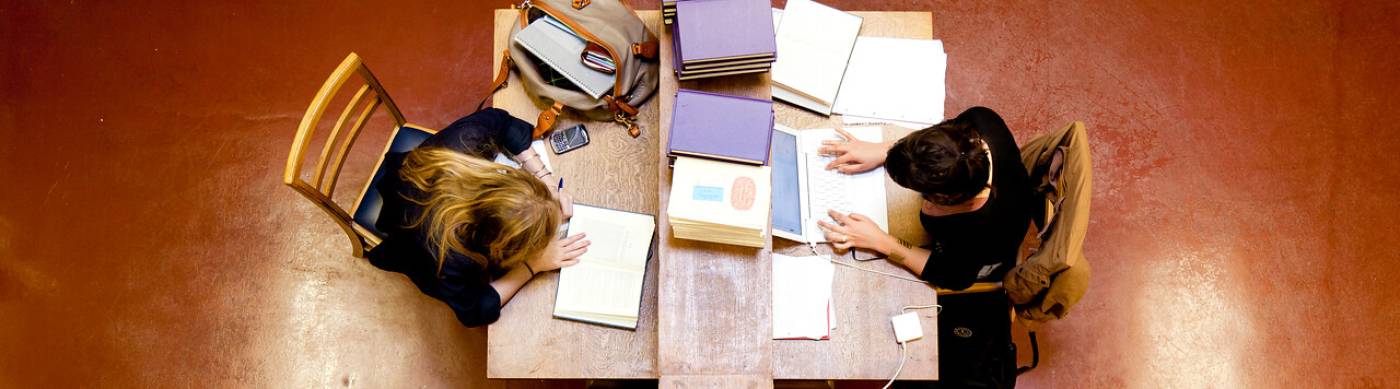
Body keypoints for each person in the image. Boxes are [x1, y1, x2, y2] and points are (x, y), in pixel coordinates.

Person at [367, 108, 589, 327]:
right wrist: (532, 265)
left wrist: (546, 183)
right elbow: (473, 310)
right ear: (496, 246)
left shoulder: (467, 141)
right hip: (405, 219)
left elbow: (502, 122)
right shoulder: (449, 256)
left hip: (418, 174)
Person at [814, 107, 1032, 290]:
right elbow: (939, 135)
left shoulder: (983, 231)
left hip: (977, 255)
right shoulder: (979, 121)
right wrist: (885, 150)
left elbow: (955, 278)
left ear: (944, 198)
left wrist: (882, 242)